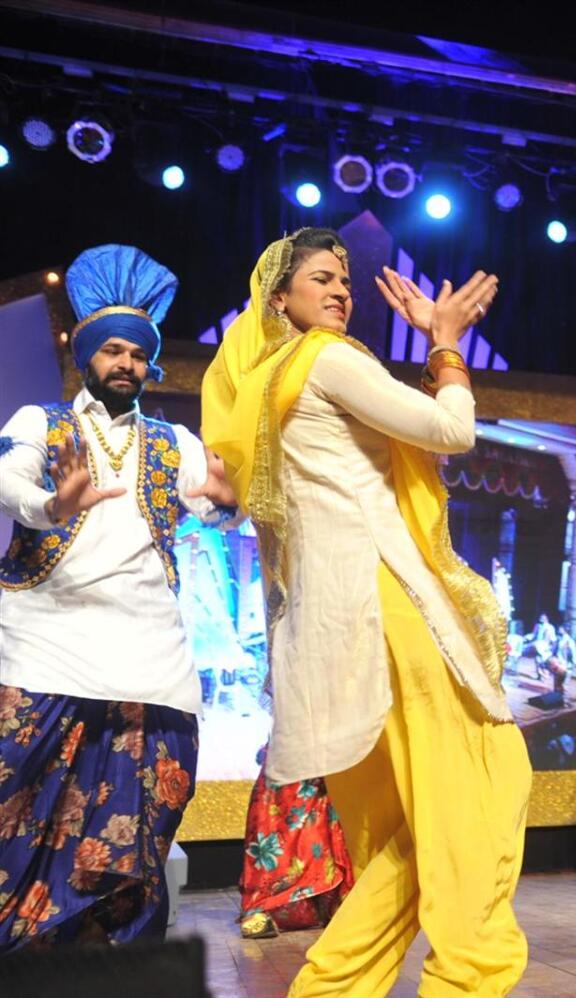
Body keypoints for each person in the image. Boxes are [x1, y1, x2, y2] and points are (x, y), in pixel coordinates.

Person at [200, 229, 529, 996]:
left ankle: (331, 988)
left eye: (344, 279)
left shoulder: (268, 381)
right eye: (321, 279)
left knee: (412, 837)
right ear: (279, 299)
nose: (340, 291)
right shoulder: (328, 358)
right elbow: (453, 430)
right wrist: (447, 347)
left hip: (333, 627)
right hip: (387, 607)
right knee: (487, 783)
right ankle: (468, 978)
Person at [0, 244, 237, 947]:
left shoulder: (173, 441)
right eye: (113, 353)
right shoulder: (40, 422)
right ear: (86, 355)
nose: (126, 364)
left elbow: (218, 505)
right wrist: (52, 503)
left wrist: (229, 504)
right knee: (15, 797)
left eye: (137, 354)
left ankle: (113, 961)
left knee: (147, 814)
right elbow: (11, 483)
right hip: (45, 640)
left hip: (146, 655)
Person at [237, 743, 354, 939]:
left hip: (335, 739)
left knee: (327, 817)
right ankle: (261, 904)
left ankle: (334, 899)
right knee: (276, 811)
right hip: (294, 739)